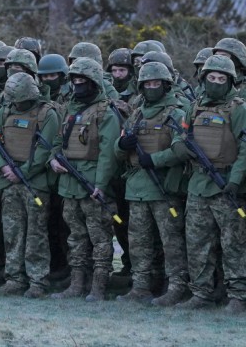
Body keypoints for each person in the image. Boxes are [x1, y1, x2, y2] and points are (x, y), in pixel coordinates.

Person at [174, 54, 246, 312]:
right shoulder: (194, 107)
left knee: (233, 243)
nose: (216, 82)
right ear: (203, 79)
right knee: (197, 242)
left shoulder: (239, 109)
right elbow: (180, 135)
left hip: (226, 186)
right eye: (211, 78)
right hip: (198, 185)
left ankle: (238, 295)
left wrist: (235, 181)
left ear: (230, 81)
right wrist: (181, 148)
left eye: (221, 78)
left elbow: (245, 149)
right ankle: (201, 293)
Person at [115, 61, 188, 306]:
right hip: (136, 188)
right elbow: (119, 147)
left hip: (163, 187)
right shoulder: (136, 114)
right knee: (138, 242)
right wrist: (121, 146)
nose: (152, 87)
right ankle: (141, 286)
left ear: (166, 85)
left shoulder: (176, 112)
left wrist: (154, 159)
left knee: (171, 242)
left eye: (157, 83)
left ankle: (177, 287)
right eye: (147, 83)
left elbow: (182, 149)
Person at [50, 58, 120, 302]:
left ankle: (99, 287)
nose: (79, 85)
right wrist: (53, 160)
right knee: (75, 237)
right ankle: (77, 284)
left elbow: (108, 153)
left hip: (92, 186)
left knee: (100, 238)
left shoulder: (106, 113)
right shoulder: (69, 108)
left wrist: (100, 185)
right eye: (75, 81)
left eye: (83, 81)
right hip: (69, 185)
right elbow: (59, 141)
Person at [0, 73, 59, 298]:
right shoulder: (5, 111)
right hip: (8, 181)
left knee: (35, 234)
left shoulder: (48, 114)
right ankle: (15, 278)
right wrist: (3, 167)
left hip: (34, 183)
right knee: (12, 232)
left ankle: (38, 281)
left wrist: (23, 172)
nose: (16, 104)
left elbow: (45, 149)